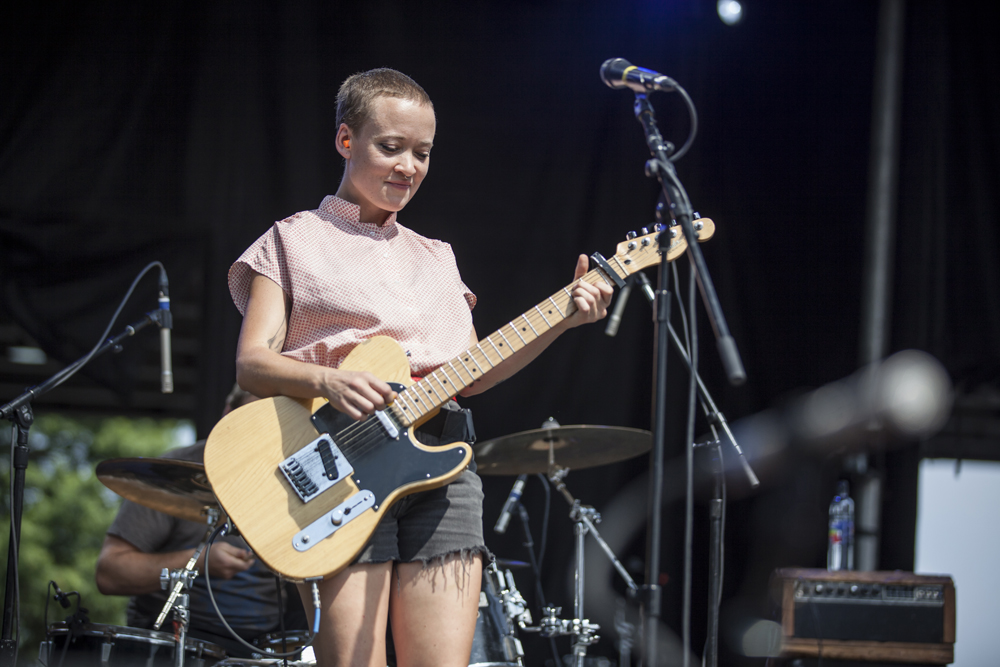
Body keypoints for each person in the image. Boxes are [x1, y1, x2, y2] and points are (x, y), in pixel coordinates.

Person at [228, 67, 613, 667]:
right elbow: (252, 362)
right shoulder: (291, 241)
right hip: (340, 461)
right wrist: (328, 379)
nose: (408, 166)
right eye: (391, 147)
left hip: (441, 466)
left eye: (423, 153)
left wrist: (563, 318)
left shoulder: (436, 258)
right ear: (345, 139)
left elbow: (473, 373)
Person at [95, 385, 304, 658]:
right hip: (175, 640)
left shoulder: (297, 479)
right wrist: (199, 561)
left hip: (265, 646)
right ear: (228, 413)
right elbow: (110, 573)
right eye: (252, 417)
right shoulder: (174, 470)